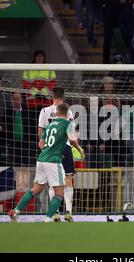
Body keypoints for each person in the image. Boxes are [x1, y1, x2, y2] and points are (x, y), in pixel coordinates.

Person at [8, 103, 84, 223]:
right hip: (53, 161)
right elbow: (72, 138)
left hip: (41, 160)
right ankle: (48, 219)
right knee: (59, 193)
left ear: (57, 113)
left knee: (35, 189)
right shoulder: (67, 124)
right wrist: (80, 149)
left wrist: (49, 151)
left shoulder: (49, 126)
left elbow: (40, 144)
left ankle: (15, 211)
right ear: (67, 113)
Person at [37, 87, 77, 222]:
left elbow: (40, 133)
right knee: (68, 178)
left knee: (52, 182)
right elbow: (71, 133)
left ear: (52, 96)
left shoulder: (44, 111)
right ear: (64, 96)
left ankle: (55, 213)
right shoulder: (68, 111)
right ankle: (68, 212)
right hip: (64, 147)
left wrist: (44, 148)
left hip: (50, 150)